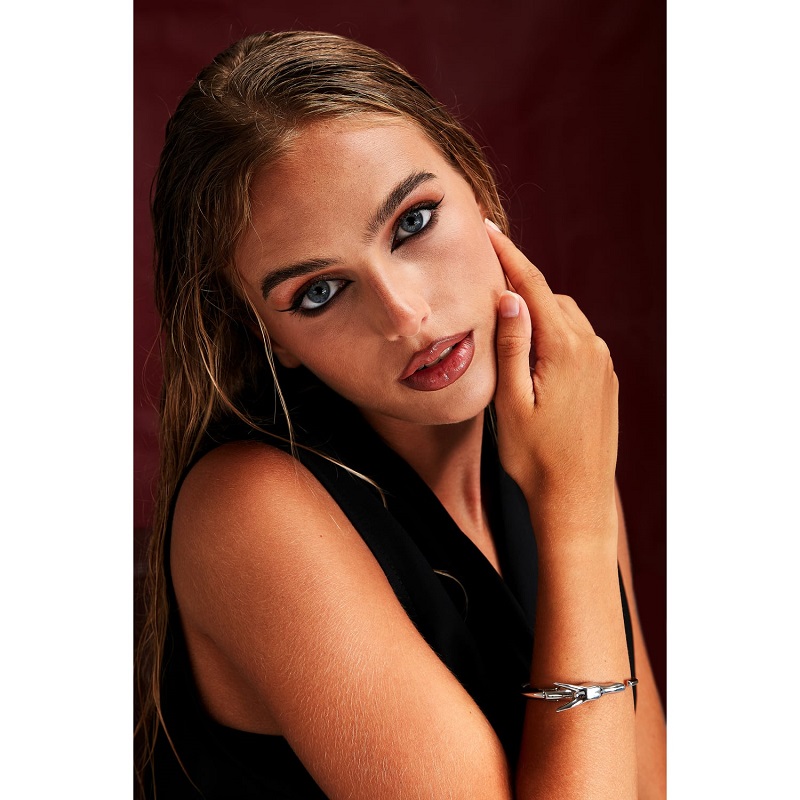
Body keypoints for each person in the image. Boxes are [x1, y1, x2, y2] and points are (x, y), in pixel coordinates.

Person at [135, 29, 666, 799]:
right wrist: (578, 514)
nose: (405, 316)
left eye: (413, 222)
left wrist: (574, 495)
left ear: (475, 185)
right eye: (319, 291)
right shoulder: (250, 510)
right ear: (267, 336)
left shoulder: (556, 434)